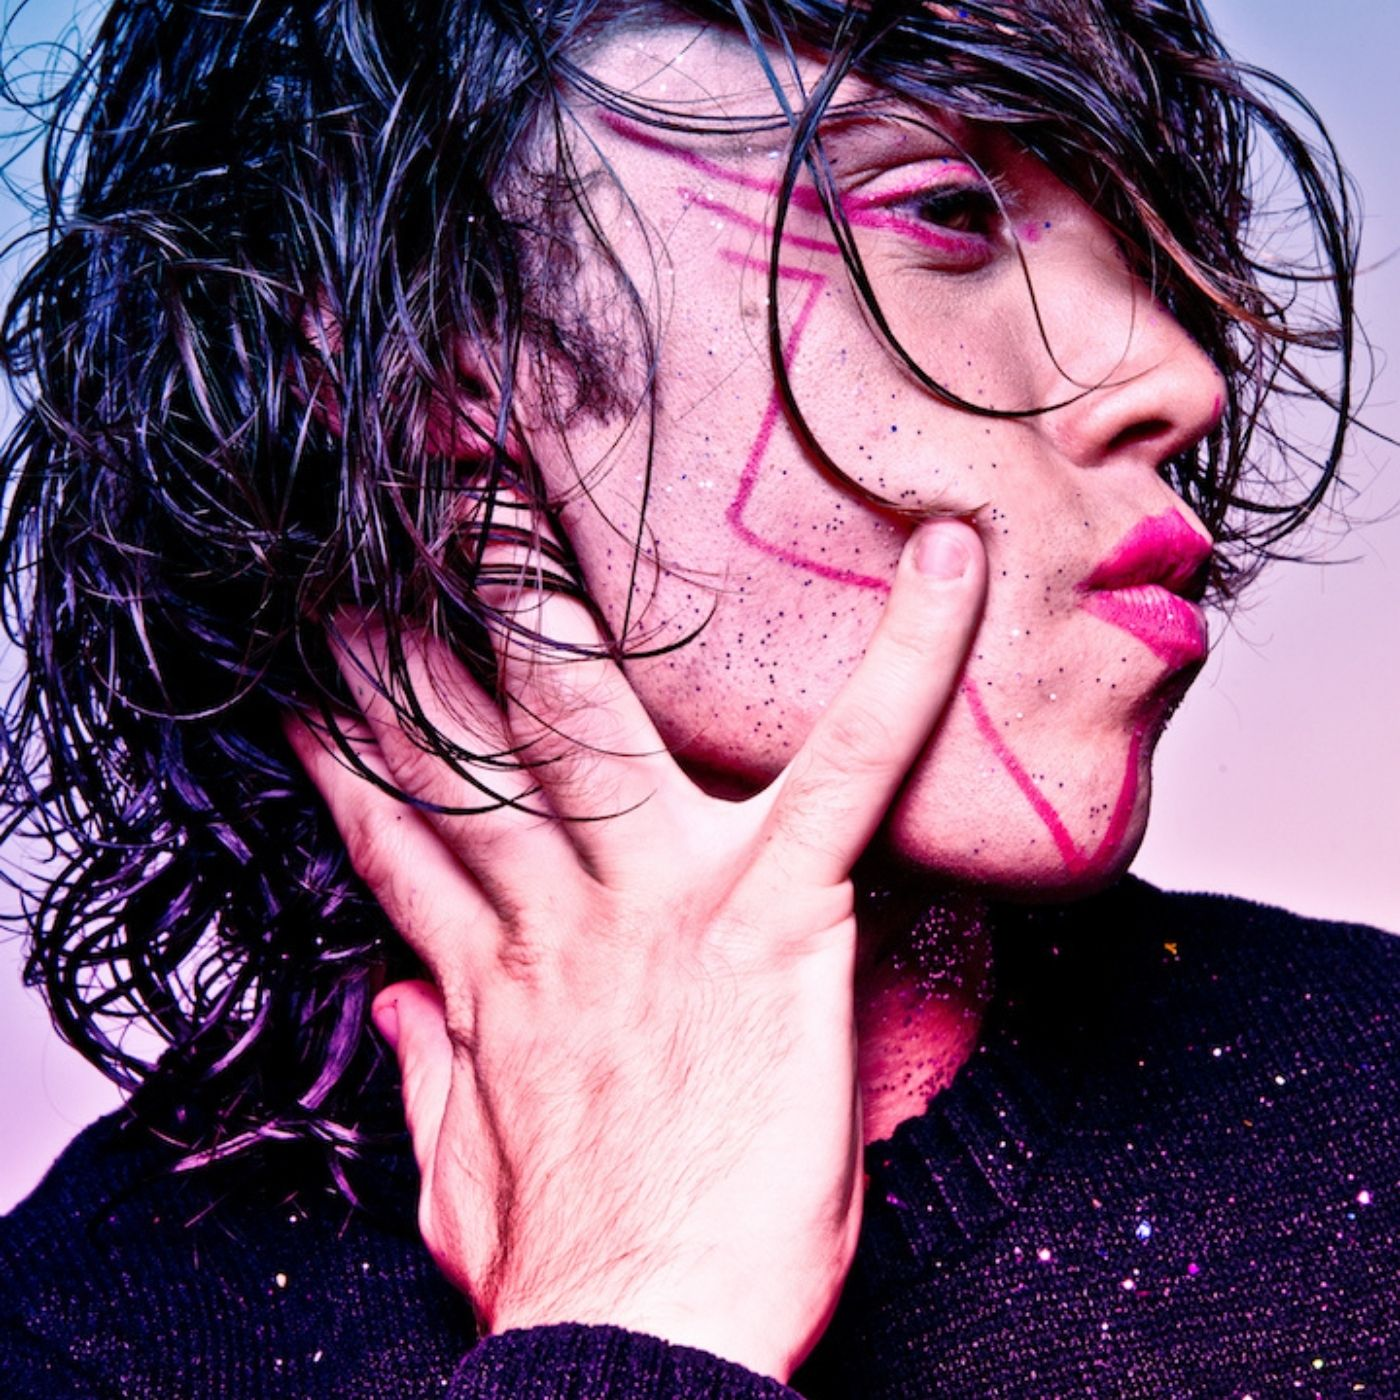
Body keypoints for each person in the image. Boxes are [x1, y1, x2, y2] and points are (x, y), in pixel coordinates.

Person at [0, 0, 1393, 1395]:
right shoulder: (84, 1344)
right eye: (951, 211)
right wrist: (633, 1313)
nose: (1182, 376)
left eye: (1143, 248)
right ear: (425, 356)